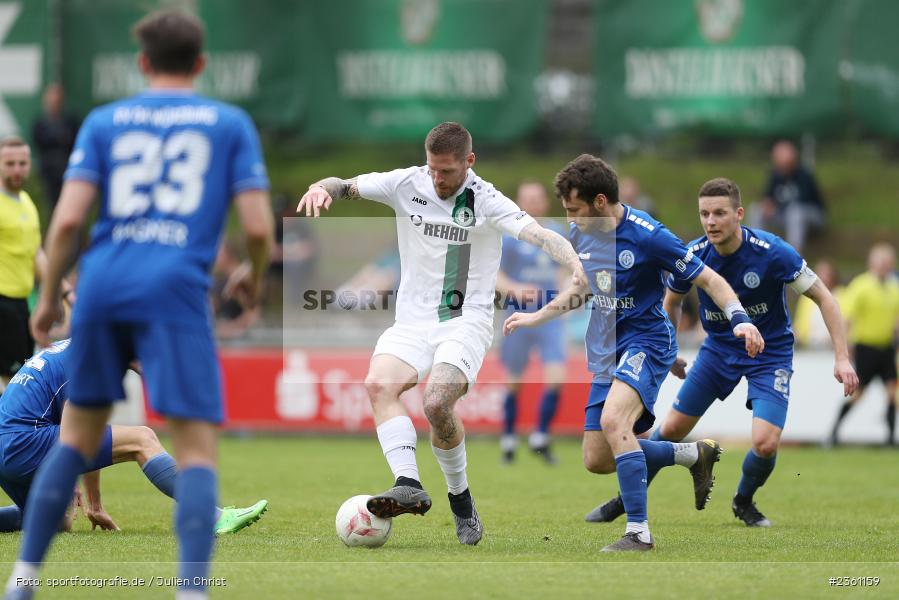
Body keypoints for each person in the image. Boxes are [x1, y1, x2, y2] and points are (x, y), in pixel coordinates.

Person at [6, 10, 273, 600]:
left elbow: (70, 218)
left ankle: (21, 586)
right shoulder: (227, 123)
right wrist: (252, 276)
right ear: (201, 64)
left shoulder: (105, 121)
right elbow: (256, 225)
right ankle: (192, 590)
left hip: (102, 284)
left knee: (74, 438)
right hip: (174, 287)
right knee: (196, 446)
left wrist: (48, 300)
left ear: (142, 63)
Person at [296, 122, 585, 546]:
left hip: (465, 321)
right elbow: (343, 184)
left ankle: (460, 498)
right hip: (411, 321)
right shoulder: (405, 183)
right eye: (432, 169)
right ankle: (407, 484)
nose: (437, 179)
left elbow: (541, 236)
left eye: (446, 171)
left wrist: (576, 264)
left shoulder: (486, 200)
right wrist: (321, 188)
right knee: (379, 385)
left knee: (436, 402)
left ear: (469, 162)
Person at [505, 157, 765, 552]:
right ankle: (692, 454)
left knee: (614, 420)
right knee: (596, 459)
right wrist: (537, 317)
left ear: (600, 201)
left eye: (574, 210)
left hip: (647, 341)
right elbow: (584, 288)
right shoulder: (583, 236)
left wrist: (741, 319)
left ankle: (638, 533)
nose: (570, 220)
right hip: (609, 348)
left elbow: (709, 279)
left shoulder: (649, 236)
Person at [586, 177, 857, 529]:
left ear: (739, 214)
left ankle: (743, 501)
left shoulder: (773, 252)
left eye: (719, 213)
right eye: (704, 214)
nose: (711, 221)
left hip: (769, 354)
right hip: (716, 353)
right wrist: (669, 351)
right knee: (669, 430)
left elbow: (824, 297)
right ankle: (629, 497)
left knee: (765, 443)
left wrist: (841, 356)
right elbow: (672, 302)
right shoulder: (695, 254)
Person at [0, 339, 268, 535]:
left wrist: (93, 502)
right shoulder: (98, 359)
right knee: (142, 439)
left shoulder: (85, 345)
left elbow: (85, 432)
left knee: (57, 522)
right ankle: (213, 516)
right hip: (25, 441)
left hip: (8, 447)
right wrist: (69, 476)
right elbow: (79, 434)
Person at [495, 181, 567, 465]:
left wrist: (565, 298)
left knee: (557, 378)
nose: (533, 203)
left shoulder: (556, 234)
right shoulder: (510, 236)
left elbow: (564, 269)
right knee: (514, 381)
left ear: (545, 202)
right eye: (527, 198)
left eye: (537, 198)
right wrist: (515, 288)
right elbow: (494, 275)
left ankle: (541, 435)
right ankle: (509, 438)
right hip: (517, 316)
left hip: (549, 316)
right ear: (519, 202)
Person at [0, 137, 70, 394]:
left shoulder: (27, 204)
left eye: (22, 163)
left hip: (19, 307)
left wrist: (65, 292)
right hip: (1, 300)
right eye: (10, 164)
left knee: (15, 387)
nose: (16, 169)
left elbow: (36, 254)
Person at [829, 243, 899, 446]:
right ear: (872, 263)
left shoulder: (894, 288)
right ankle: (834, 432)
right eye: (882, 262)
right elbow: (847, 318)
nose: (885, 266)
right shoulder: (861, 286)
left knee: (892, 393)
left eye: (888, 262)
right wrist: (845, 348)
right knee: (858, 395)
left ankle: (890, 439)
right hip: (865, 348)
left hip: (886, 348)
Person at [752, 140, 826, 253]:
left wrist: (777, 206)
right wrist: (767, 205)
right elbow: (767, 197)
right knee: (756, 209)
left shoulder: (804, 174)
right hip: (784, 216)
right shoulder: (775, 174)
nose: (783, 166)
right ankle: (756, 251)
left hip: (812, 216)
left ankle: (793, 258)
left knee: (795, 212)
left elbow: (803, 200)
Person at [30, 84, 80, 214]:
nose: (54, 102)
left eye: (57, 98)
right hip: (48, 174)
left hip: (68, 171)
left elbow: (74, 142)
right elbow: (39, 142)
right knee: (51, 207)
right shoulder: (39, 123)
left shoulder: (70, 121)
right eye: (51, 98)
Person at [793, 259, 844, 349]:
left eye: (826, 273)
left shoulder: (841, 295)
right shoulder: (805, 298)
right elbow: (799, 323)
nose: (822, 277)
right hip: (809, 346)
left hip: (832, 347)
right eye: (819, 273)